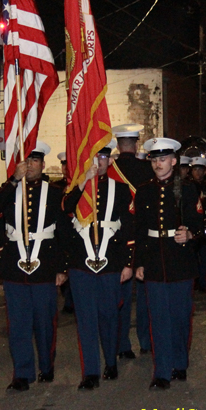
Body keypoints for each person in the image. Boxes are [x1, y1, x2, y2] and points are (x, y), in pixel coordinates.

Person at [0, 142, 72, 392]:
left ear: (42, 164)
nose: (30, 166)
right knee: (17, 323)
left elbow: (64, 233)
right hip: (15, 265)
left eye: (34, 161)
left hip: (45, 264)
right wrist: (13, 181)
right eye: (26, 161)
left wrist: (62, 268)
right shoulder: (10, 190)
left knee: (45, 322)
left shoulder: (55, 193)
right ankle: (22, 373)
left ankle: (46, 366)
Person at [64, 139, 135, 389]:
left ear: (110, 160)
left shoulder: (122, 189)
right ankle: (90, 372)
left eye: (103, 158)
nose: (99, 162)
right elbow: (65, 210)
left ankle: (111, 363)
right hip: (81, 263)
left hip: (111, 262)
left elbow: (128, 228)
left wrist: (128, 263)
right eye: (94, 158)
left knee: (108, 316)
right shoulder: (77, 188)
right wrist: (83, 183)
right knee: (85, 319)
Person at [134, 138, 203, 390]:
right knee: (159, 319)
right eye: (154, 159)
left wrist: (191, 234)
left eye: (162, 159)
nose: (158, 164)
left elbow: (198, 222)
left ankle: (179, 363)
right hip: (153, 259)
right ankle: (161, 372)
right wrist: (138, 262)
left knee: (180, 317)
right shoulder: (144, 190)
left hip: (180, 262)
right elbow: (140, 229)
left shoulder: (187, 189)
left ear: (174, 161)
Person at [111, 123, 154, 361]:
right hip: (146, 237)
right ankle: (147, 341)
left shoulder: (111, 169)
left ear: (118, 145)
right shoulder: (148, 169)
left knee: (123, 297)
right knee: (147, 294)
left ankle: (122, 344)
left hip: (121, 240)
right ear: (136, 143)